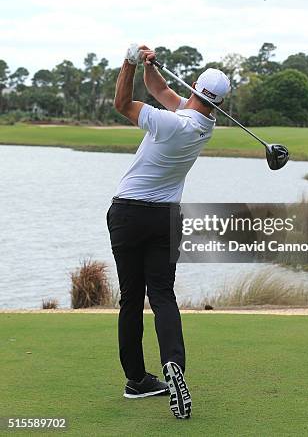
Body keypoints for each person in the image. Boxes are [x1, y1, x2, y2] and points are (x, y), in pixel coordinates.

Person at [106, 43, 231, 420]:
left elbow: (123, 103)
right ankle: (173, 364)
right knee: (161, 295)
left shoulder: (171, 123)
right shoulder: (204, 124)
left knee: (131, 298)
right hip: (165, 218)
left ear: (194, 86)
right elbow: (160, 90)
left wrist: (127, 63)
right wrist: (149, 66)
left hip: (128, 213)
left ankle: (136, 381)